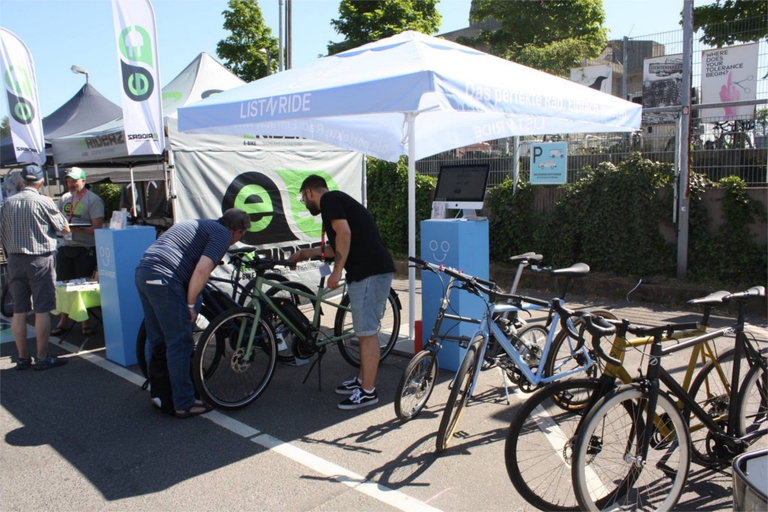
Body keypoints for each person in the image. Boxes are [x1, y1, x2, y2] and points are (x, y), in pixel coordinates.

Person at [289, 175, 395, 410]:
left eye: (303, 199)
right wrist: (305, 254)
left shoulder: (330, 200)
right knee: (363, 331)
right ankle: (361, 381)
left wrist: (336, 271)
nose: (305, 204)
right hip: (368, 272)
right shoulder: (337, 202)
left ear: (309, 193)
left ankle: (368, 392)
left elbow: (344, 235)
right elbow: (337, 245)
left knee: (367, 333)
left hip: (369, 273)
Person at [134, 209, 251, 418]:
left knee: (158, 339)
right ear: (236, 231)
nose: (239, 238)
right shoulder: (222, 234)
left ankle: (161, 393)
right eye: (242, 235)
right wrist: (190, 305)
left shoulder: (201, 224)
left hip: (144, 272)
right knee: (180, 343)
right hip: (165, 278)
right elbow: (202, 270)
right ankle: (184, 403)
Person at [0, 164, 70, 370]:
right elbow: (64, 229)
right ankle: (42, 357)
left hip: (14, 259)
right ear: (41, 182)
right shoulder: (44, 201)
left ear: (21, 180)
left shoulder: (7, 203)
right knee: (42, 309)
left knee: (19, 311)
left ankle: (22, 357)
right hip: (39, 259)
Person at [52, 167, 105, 336]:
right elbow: (58, 219)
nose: (70, 184)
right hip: (65, 246)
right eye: (68, 181)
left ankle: (85, 322)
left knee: (81, 286)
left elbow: (97, 227)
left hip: (85, 249)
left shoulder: (93, 200)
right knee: (63, 285)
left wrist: (75, 230)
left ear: (83, 181)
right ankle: (64, 320)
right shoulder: (65, 198)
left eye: (74, 181)